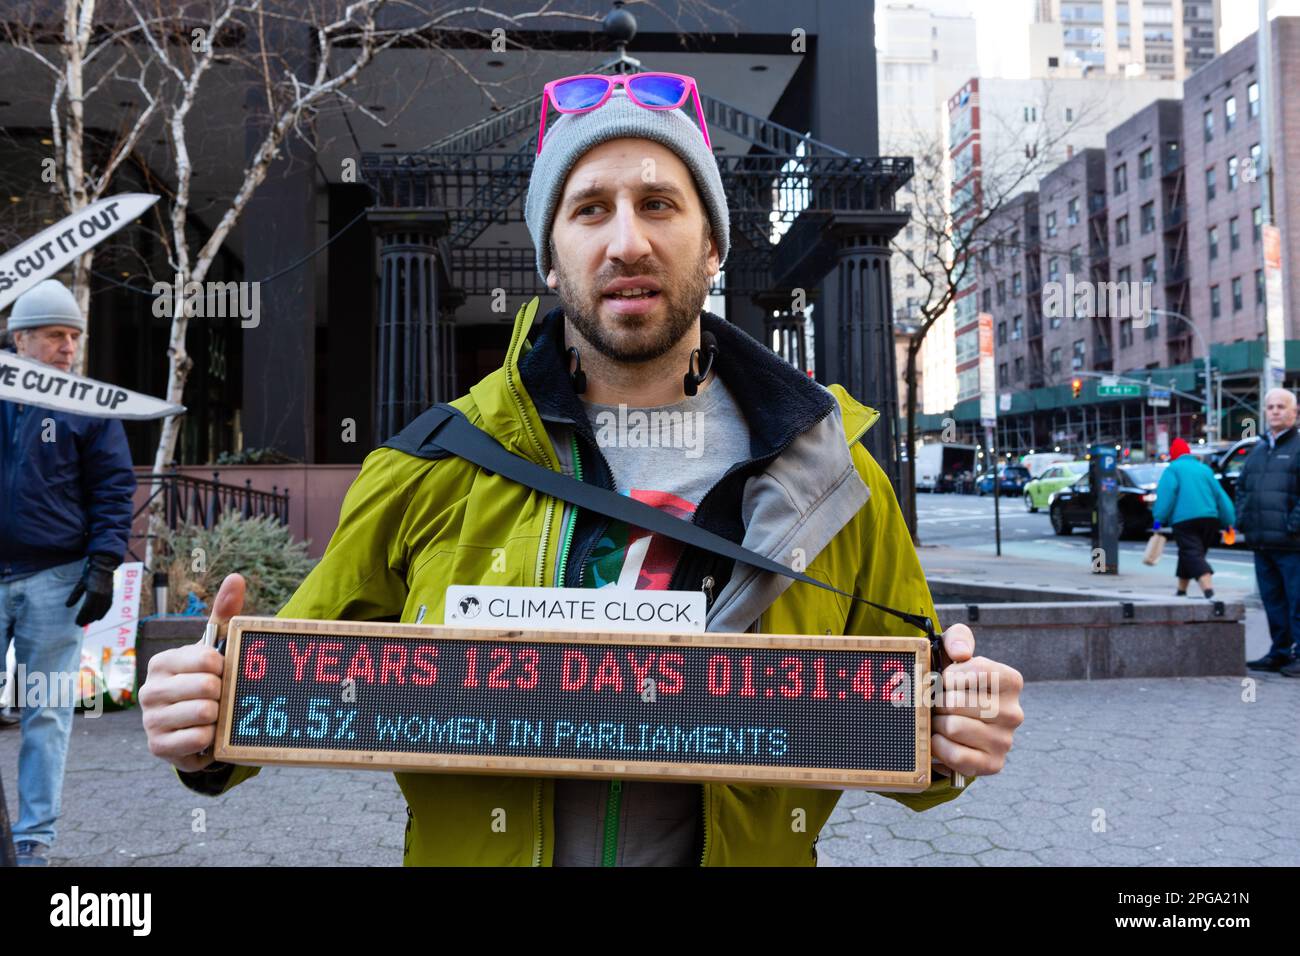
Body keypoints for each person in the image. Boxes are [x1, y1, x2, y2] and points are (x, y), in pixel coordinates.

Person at [140, 74, 1025, 866]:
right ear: (550, 257)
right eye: (590, 209)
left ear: (713, 246)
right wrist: (205, 718)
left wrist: (957, 735)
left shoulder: (834, 476)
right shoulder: (428, 465)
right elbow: (273, 694)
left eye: (660, 203)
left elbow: (916, 713)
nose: (627, 241)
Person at [0, 279, 136, 866]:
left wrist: (104, 563)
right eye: (55, 335)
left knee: (47, 713)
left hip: (57, 579)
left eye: (74, 336)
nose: (67, 347)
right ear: (20, 339)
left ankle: (34, 842)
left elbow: (113, 488)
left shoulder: (90, 405)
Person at [1236, 388, 1300, 675]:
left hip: (1293, 543)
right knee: (1273, 602)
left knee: (1297, 602)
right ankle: (1280, 652)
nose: (1275, 411)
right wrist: (1244, 519)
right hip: (1262, 542)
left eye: (1281, 406)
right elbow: (1242, 488)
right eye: (1270, 407)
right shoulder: (1258, 450)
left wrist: (1293, 525)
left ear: (1294, 412)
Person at [1152, 437, 1235, 598]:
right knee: (1190, 553)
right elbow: (1220, 496)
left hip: (1184, 520)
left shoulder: (1173, 469)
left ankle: (1209, 591)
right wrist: (1228, 521)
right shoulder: (1204, 469)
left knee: (1192, 553)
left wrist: (1158, 520)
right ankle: (1181, 591)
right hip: (1209, 519)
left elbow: (1166, 496)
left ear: (1173, 455)